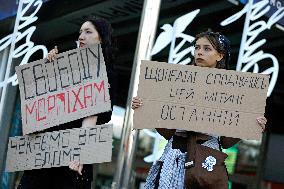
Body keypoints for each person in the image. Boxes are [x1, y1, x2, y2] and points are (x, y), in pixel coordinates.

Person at [132, 31, 267, 189]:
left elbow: (225, 141)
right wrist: (148, 109)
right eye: (197, 47)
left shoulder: (231, 91)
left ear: (220, 56)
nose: (199, 52)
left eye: (207, 48)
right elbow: (167, 133)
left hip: (205, 164)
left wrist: (249, 126)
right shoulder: (178, 84)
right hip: (173, 160)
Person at [18, 16, 116, 189]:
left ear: (101, 38)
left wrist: (80, 154)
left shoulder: (105, 73)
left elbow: (91, 117)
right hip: (43, 157)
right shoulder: (65, 67)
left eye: (88, 32)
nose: (81, 37)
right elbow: (39, 109)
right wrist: (48, 69)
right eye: (80, 32)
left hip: (71, 161)